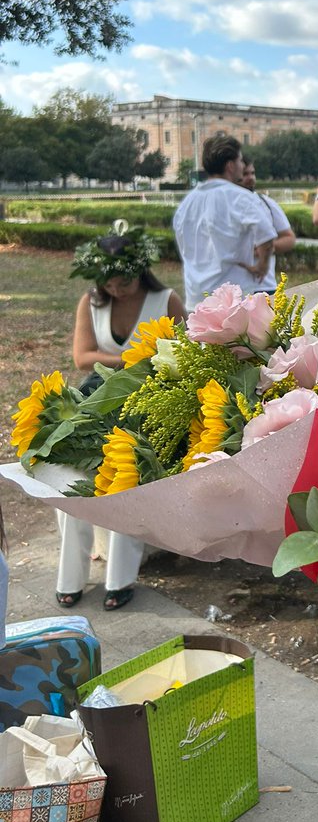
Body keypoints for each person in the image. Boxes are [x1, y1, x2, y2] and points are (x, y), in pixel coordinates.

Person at [64, 223, 186, 610]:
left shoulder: (166, 300)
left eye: (124, 282)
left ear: (140, 270)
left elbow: (183, 354)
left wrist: (137, 368)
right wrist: (135, 359)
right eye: (109, 284)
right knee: (70, 478)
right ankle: (70, 576)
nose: (117, 289)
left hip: (151, 404)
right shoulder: (92, 302)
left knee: (130, 476)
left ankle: (120, 579)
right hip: (96, 399)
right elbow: (82, 357)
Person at [173, 134, 277, 308]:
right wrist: (262, 266)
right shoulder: (241, 197)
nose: (243, 166)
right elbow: (266, 236)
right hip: (234, 298)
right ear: (230, 165)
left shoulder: (187, 203)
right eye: (241, 161)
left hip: (196, 297)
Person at [238, 159, 297, 292]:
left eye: (252, 173)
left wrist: (265, 247)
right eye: (245, 174)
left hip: (265, 286)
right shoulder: (223, 206)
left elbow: (289, 238)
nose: (250, 178)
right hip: (233, 288)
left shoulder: (266, 203)